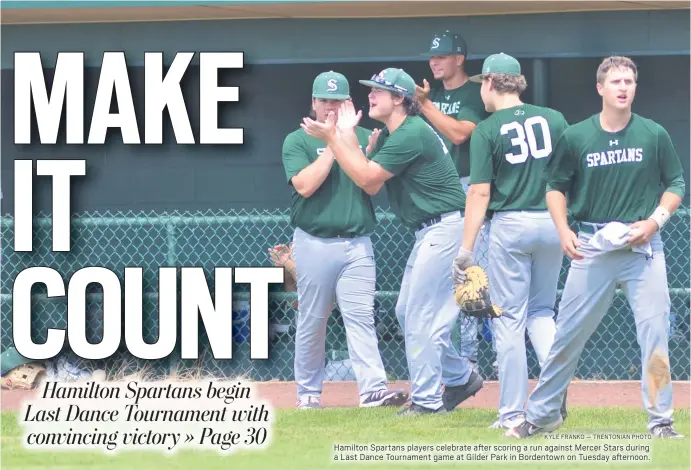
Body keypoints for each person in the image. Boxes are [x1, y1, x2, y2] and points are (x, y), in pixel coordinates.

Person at [507, 56, 686, 439]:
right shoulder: (576, 136)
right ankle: (542, 416)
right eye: (616, 81)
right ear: (600, 88)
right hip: (592, 244)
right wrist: (562, 230)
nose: (624, 87)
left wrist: (655, 221)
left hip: (643, 248)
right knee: (567, 335)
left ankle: (660, 421)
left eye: (629, 81)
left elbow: (676, 184)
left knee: (654, 336)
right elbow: (555, 187)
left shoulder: (653, 134)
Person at [301, 67, 483, 416]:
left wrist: (333, 139)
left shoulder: (410, 132)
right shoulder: (388, 134)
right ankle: (460, 377)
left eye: (379, 91)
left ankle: (428, 401)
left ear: (400, 99)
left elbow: (367, 177)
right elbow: (367, 177)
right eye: (370, 89)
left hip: (445, 227)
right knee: (405, 312)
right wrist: (345, 134)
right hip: (428, 230)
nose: (371, 95)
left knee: (419, 316)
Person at [452, 53, 569, 430]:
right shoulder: (554, 118)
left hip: (511, 223)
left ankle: (513, 414)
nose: (481, 93)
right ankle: (552, 401)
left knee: (509, 319)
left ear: (490, 82)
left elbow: (480, 194)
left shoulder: (487, 129)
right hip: (552, 223)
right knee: (542, 314)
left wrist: (466, 249)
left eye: (481, 85)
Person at [281, 71, 408, 410]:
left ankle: (373, 391)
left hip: (356, 242)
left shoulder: (365, 134)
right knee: (313, 320)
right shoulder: (299, 139)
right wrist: (337, 146)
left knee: (361, 317)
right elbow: (305, 186)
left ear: (349, 103)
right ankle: (308, 394)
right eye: (324, 101)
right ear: (313, 103)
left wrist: (350, 141)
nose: (331, 108)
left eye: (337, 101)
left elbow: (372, 186)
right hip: (314, 242)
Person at [417, 31, 492, 368]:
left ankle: (479, 358)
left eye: (442, 57)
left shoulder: (472, 93)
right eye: (432, 57)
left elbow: (461, 133)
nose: (435, 62)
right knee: (450, 278)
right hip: (438, 192)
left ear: (459, 59)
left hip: (468, 187)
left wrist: (426, 105)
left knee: (475, 273)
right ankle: (461, 361)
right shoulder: (430, 97)